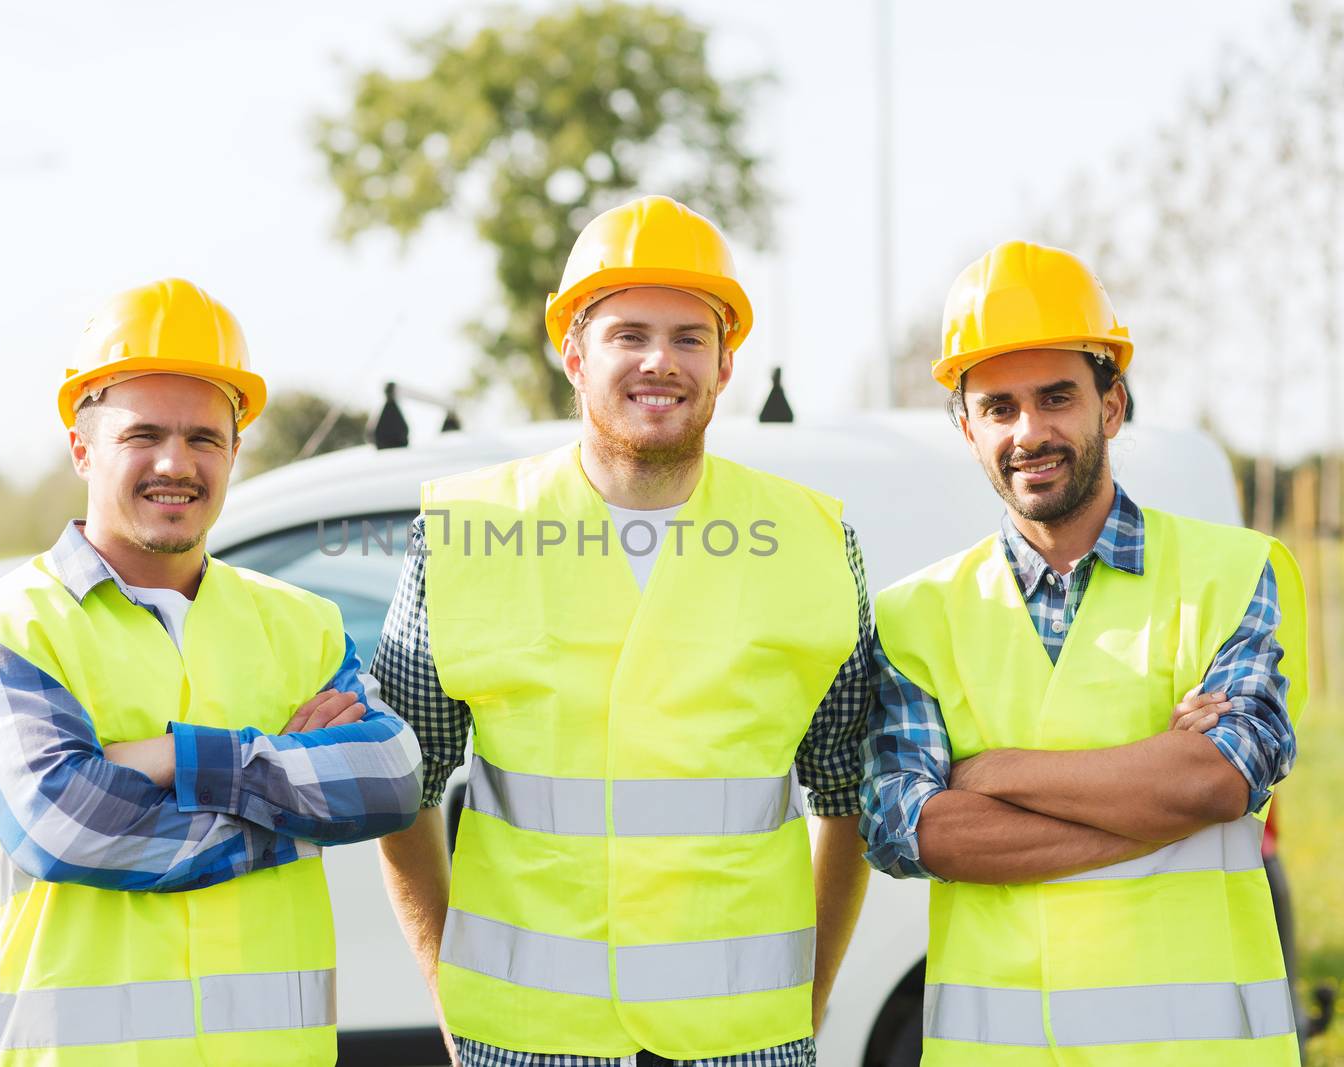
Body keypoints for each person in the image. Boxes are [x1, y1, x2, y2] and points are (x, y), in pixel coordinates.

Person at [373, 195, 873, 1067]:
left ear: (725, 366)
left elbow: (848, 799)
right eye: (628, 333)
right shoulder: (463, 534)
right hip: (525, 1044)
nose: (660, 362)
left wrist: (808, 999)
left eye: (689, 337)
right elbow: (399, 791)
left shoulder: (816, 542)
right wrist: (454, 1003)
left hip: (746, 1045)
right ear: (574, 354)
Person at [0, 277, 423, 1066]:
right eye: (143, 434)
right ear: (83, 446)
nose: (176, 462)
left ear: (236, 452)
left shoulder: (301, 622)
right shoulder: (4, 632)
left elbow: (391, 780)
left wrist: (176, 758)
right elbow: (72, 826)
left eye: (205, 438)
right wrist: (296, 803)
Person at [861, 241, 1309, 1065]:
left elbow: (1221, 774)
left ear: (1111, 404)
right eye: (999, 407)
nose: (1030, 431)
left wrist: (990, 773)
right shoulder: (913, 615)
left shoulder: (1234, 573)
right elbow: (907, 829)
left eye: (1056, 396)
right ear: (966, 427)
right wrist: (1160, 798)